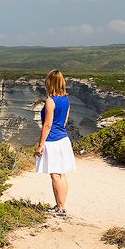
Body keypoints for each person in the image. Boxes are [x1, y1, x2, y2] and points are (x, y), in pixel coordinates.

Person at [35, 69, 76, 217]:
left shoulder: (50, 101)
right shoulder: (66, 99)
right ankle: (61, 206)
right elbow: (64, 121)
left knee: (55, 176)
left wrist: (41, 145)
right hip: (64, 139)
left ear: (49, 83)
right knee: (62, 174)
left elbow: (47, 125)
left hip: (52, 141)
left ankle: (60, 208)